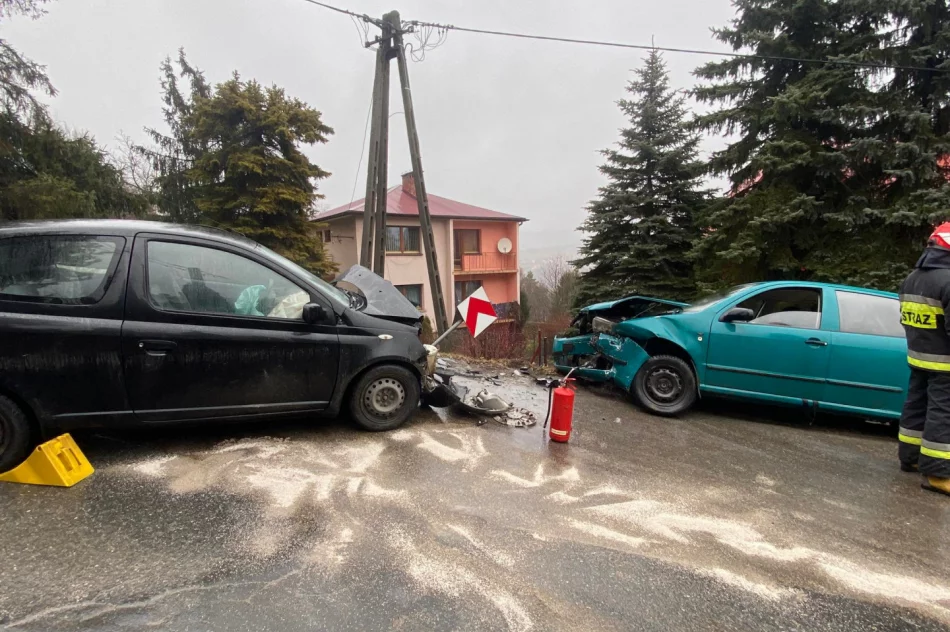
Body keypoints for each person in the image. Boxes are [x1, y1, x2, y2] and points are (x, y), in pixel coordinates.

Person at [899, 223, 950, 496]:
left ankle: (911, 457)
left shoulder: (912, 278)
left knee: (916, 406)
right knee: (943, 413)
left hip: (919, 356)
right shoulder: (948, 280)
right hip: (945, 362)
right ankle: (938, 474)